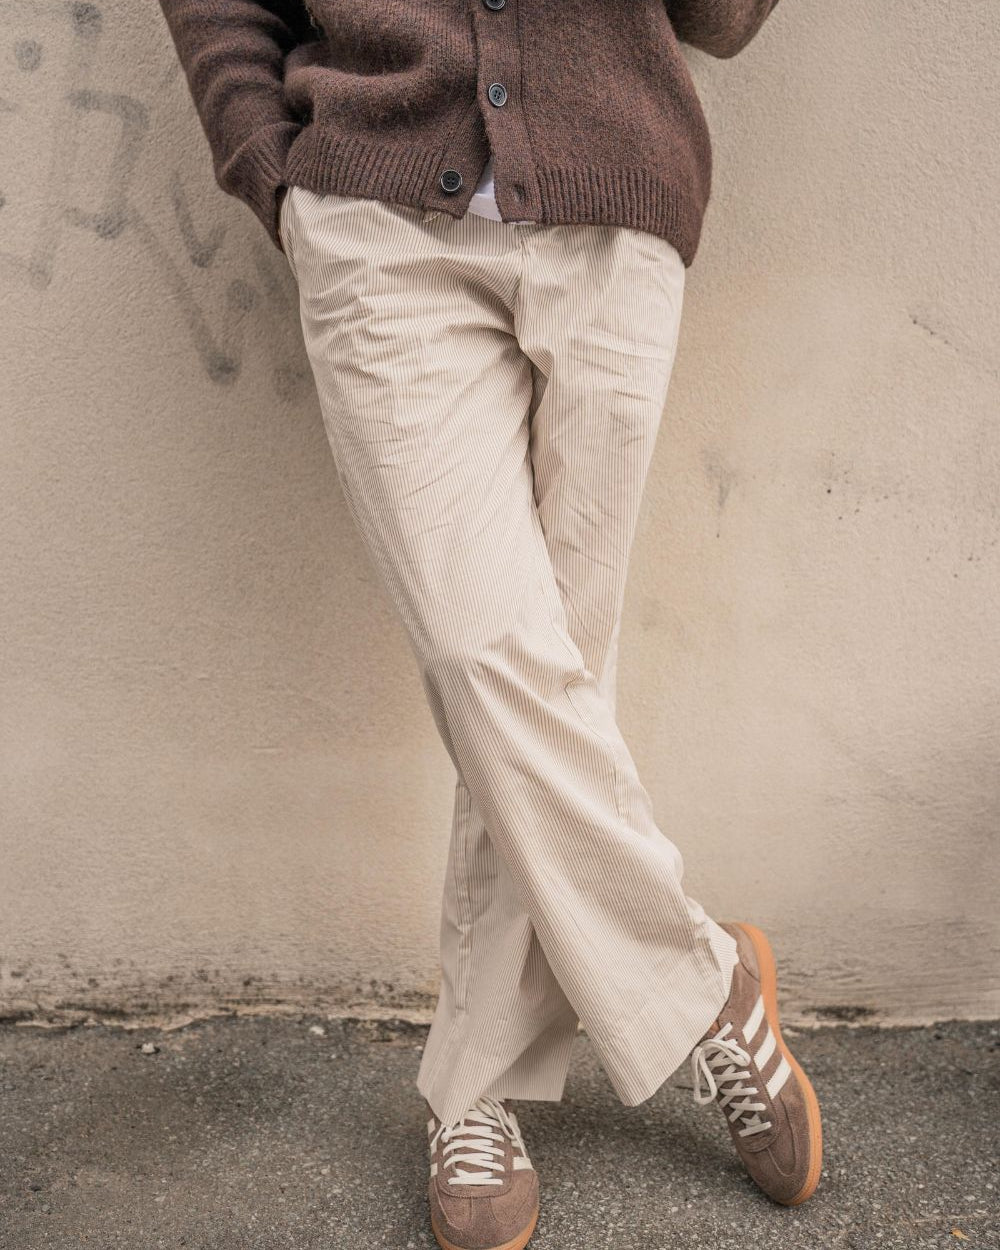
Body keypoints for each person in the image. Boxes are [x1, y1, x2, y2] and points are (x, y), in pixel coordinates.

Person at [157, 2, 822, 1246]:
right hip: (373, 215)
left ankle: (474, 1086)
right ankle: (703, 979)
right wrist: (273, 172)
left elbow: (722, 21)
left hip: (613, 205)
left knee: (547, 677)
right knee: (485, 656)